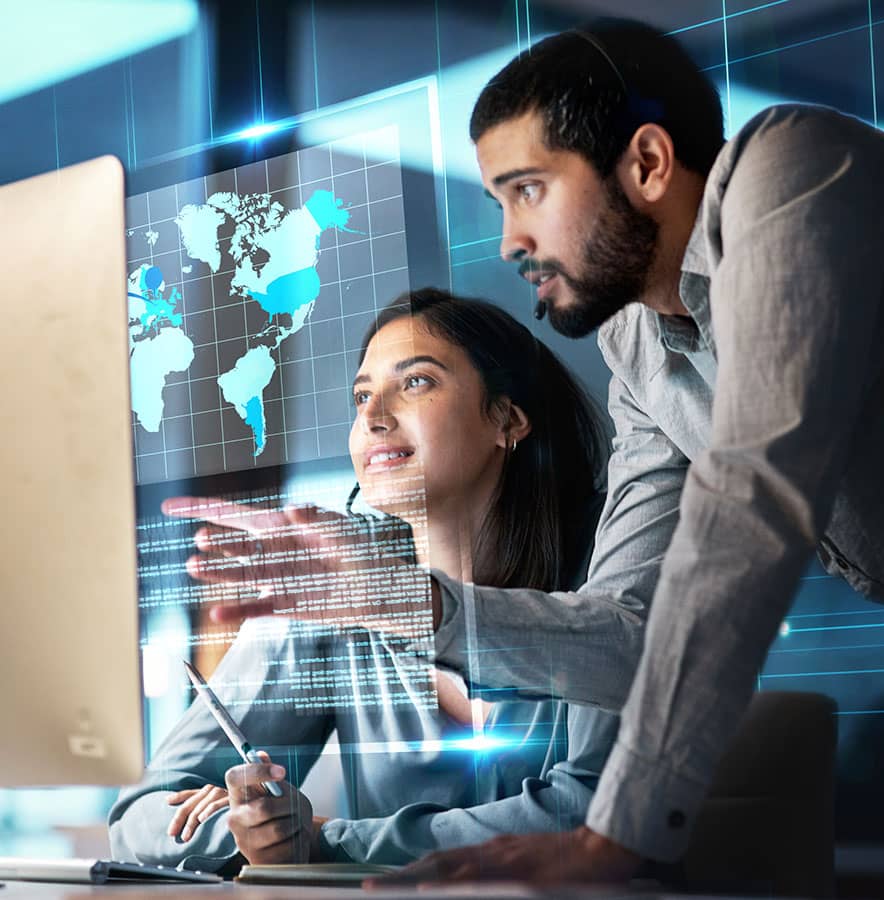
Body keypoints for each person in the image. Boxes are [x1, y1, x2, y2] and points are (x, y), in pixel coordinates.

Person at [166, 18, 884, 886]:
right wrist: (406, 601)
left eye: (527, 190)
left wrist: (612, 836)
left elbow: (751, 499)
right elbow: (632, 632)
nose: (511, 240)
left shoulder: (793, 169)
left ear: (649, 164)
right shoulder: (639, 350)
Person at [107, 289, 619, 870]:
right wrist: (251, 827)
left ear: (508, 417)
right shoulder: (333, 584)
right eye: (361, 395)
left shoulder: (611, 563)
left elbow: (591, 815)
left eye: (417, 382)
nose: (373, 418)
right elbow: (139, 818)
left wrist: (327, 840)